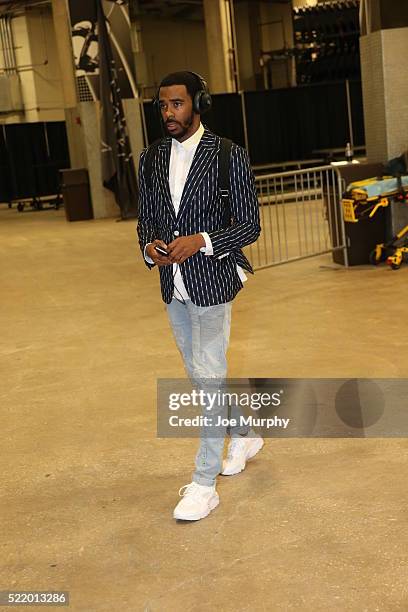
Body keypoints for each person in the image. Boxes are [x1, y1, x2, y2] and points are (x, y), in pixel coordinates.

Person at [137, 71, 263, 522]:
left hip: (212, 283)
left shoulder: (228, 155)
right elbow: (145, 221)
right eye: (163, 105)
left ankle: (205, 482)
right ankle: (245, 433)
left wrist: (203, 240)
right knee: (199, 372)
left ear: (198, 103)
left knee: (208, 376)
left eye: (177, 104)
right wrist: (150, 247)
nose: (168, 113)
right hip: (173, 284)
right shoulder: (150, 158)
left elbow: (250, 226)